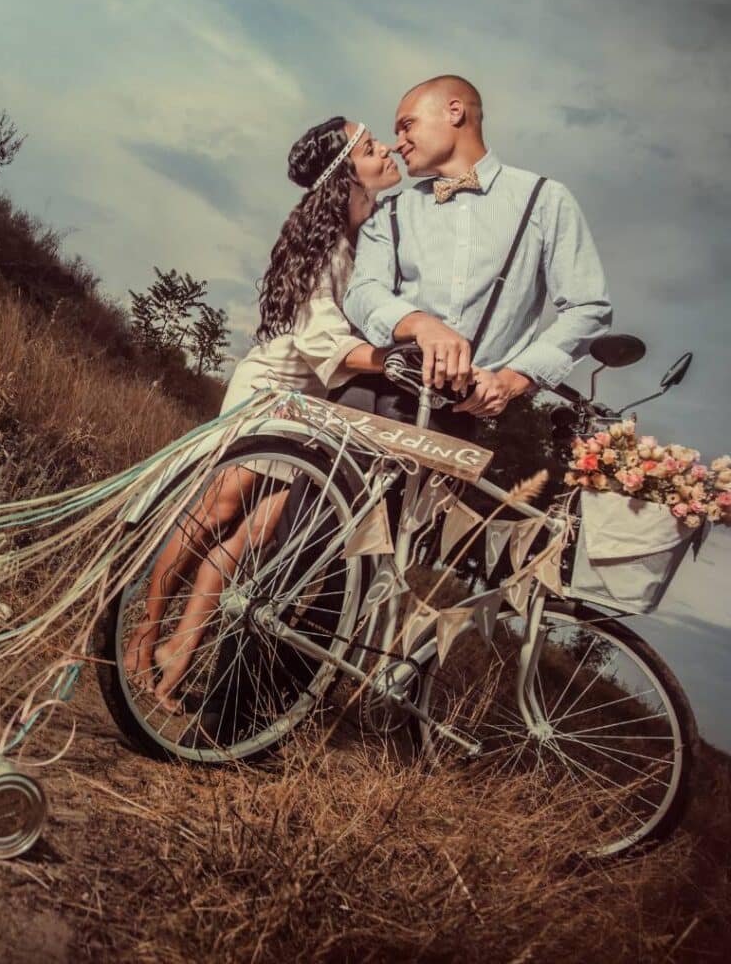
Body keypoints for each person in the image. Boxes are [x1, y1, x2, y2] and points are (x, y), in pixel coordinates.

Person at [123, 117, 400, 711]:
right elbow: (323, 341)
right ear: (346, 174)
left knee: (253, 537)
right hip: (273, 390)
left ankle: (181, 651)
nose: (389, 149)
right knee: (217, 510)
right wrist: (400, 359)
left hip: (313, 409)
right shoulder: (326, 244)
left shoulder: (369, 237)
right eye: (372, 147)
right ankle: (142, 636)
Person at [341, 75, 612, 431]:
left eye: (408, 126)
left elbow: (587, 308)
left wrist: (513, 379)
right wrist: (420, 324)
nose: (396, 144)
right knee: (315, 484)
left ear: (454, 112)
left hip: (458, 414)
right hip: (370, 392)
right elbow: (361, 292)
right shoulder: (392, 208)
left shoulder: (545, 199)